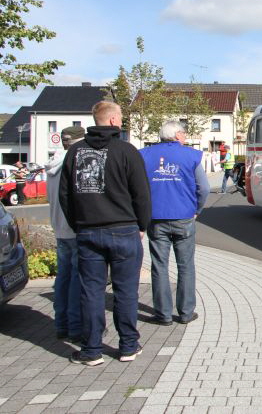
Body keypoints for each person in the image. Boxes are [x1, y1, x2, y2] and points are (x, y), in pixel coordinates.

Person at [59, 101, 152, 366]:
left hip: (88, 231)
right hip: (124, 230)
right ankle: (128, 346)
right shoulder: (126, 151)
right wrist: (142, 225)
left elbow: (65, 195)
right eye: (120, 116)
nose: (122, 120)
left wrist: (79, 224)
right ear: (112, 121)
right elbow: (141, 194)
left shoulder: (75, 152)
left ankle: (91, 350)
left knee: (91, 292)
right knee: (125, 291)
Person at [139, 121, 209, 326]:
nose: (185, 136)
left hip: (156, 218)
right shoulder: (191, 155)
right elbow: (203, 188)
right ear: (177, 135)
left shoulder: (144, 155)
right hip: (184, 217)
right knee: (185, 265)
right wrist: (197, 209)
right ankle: (186, 312)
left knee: (159, 265)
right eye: (184, 133)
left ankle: (163, 314)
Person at [47, 126, 85, 342]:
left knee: (62, 277)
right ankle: (75, 327)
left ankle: (61, 323)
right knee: (77, 279)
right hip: (74, 228)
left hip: (59, 229)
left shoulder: (52, 164)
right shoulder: (72, 163)